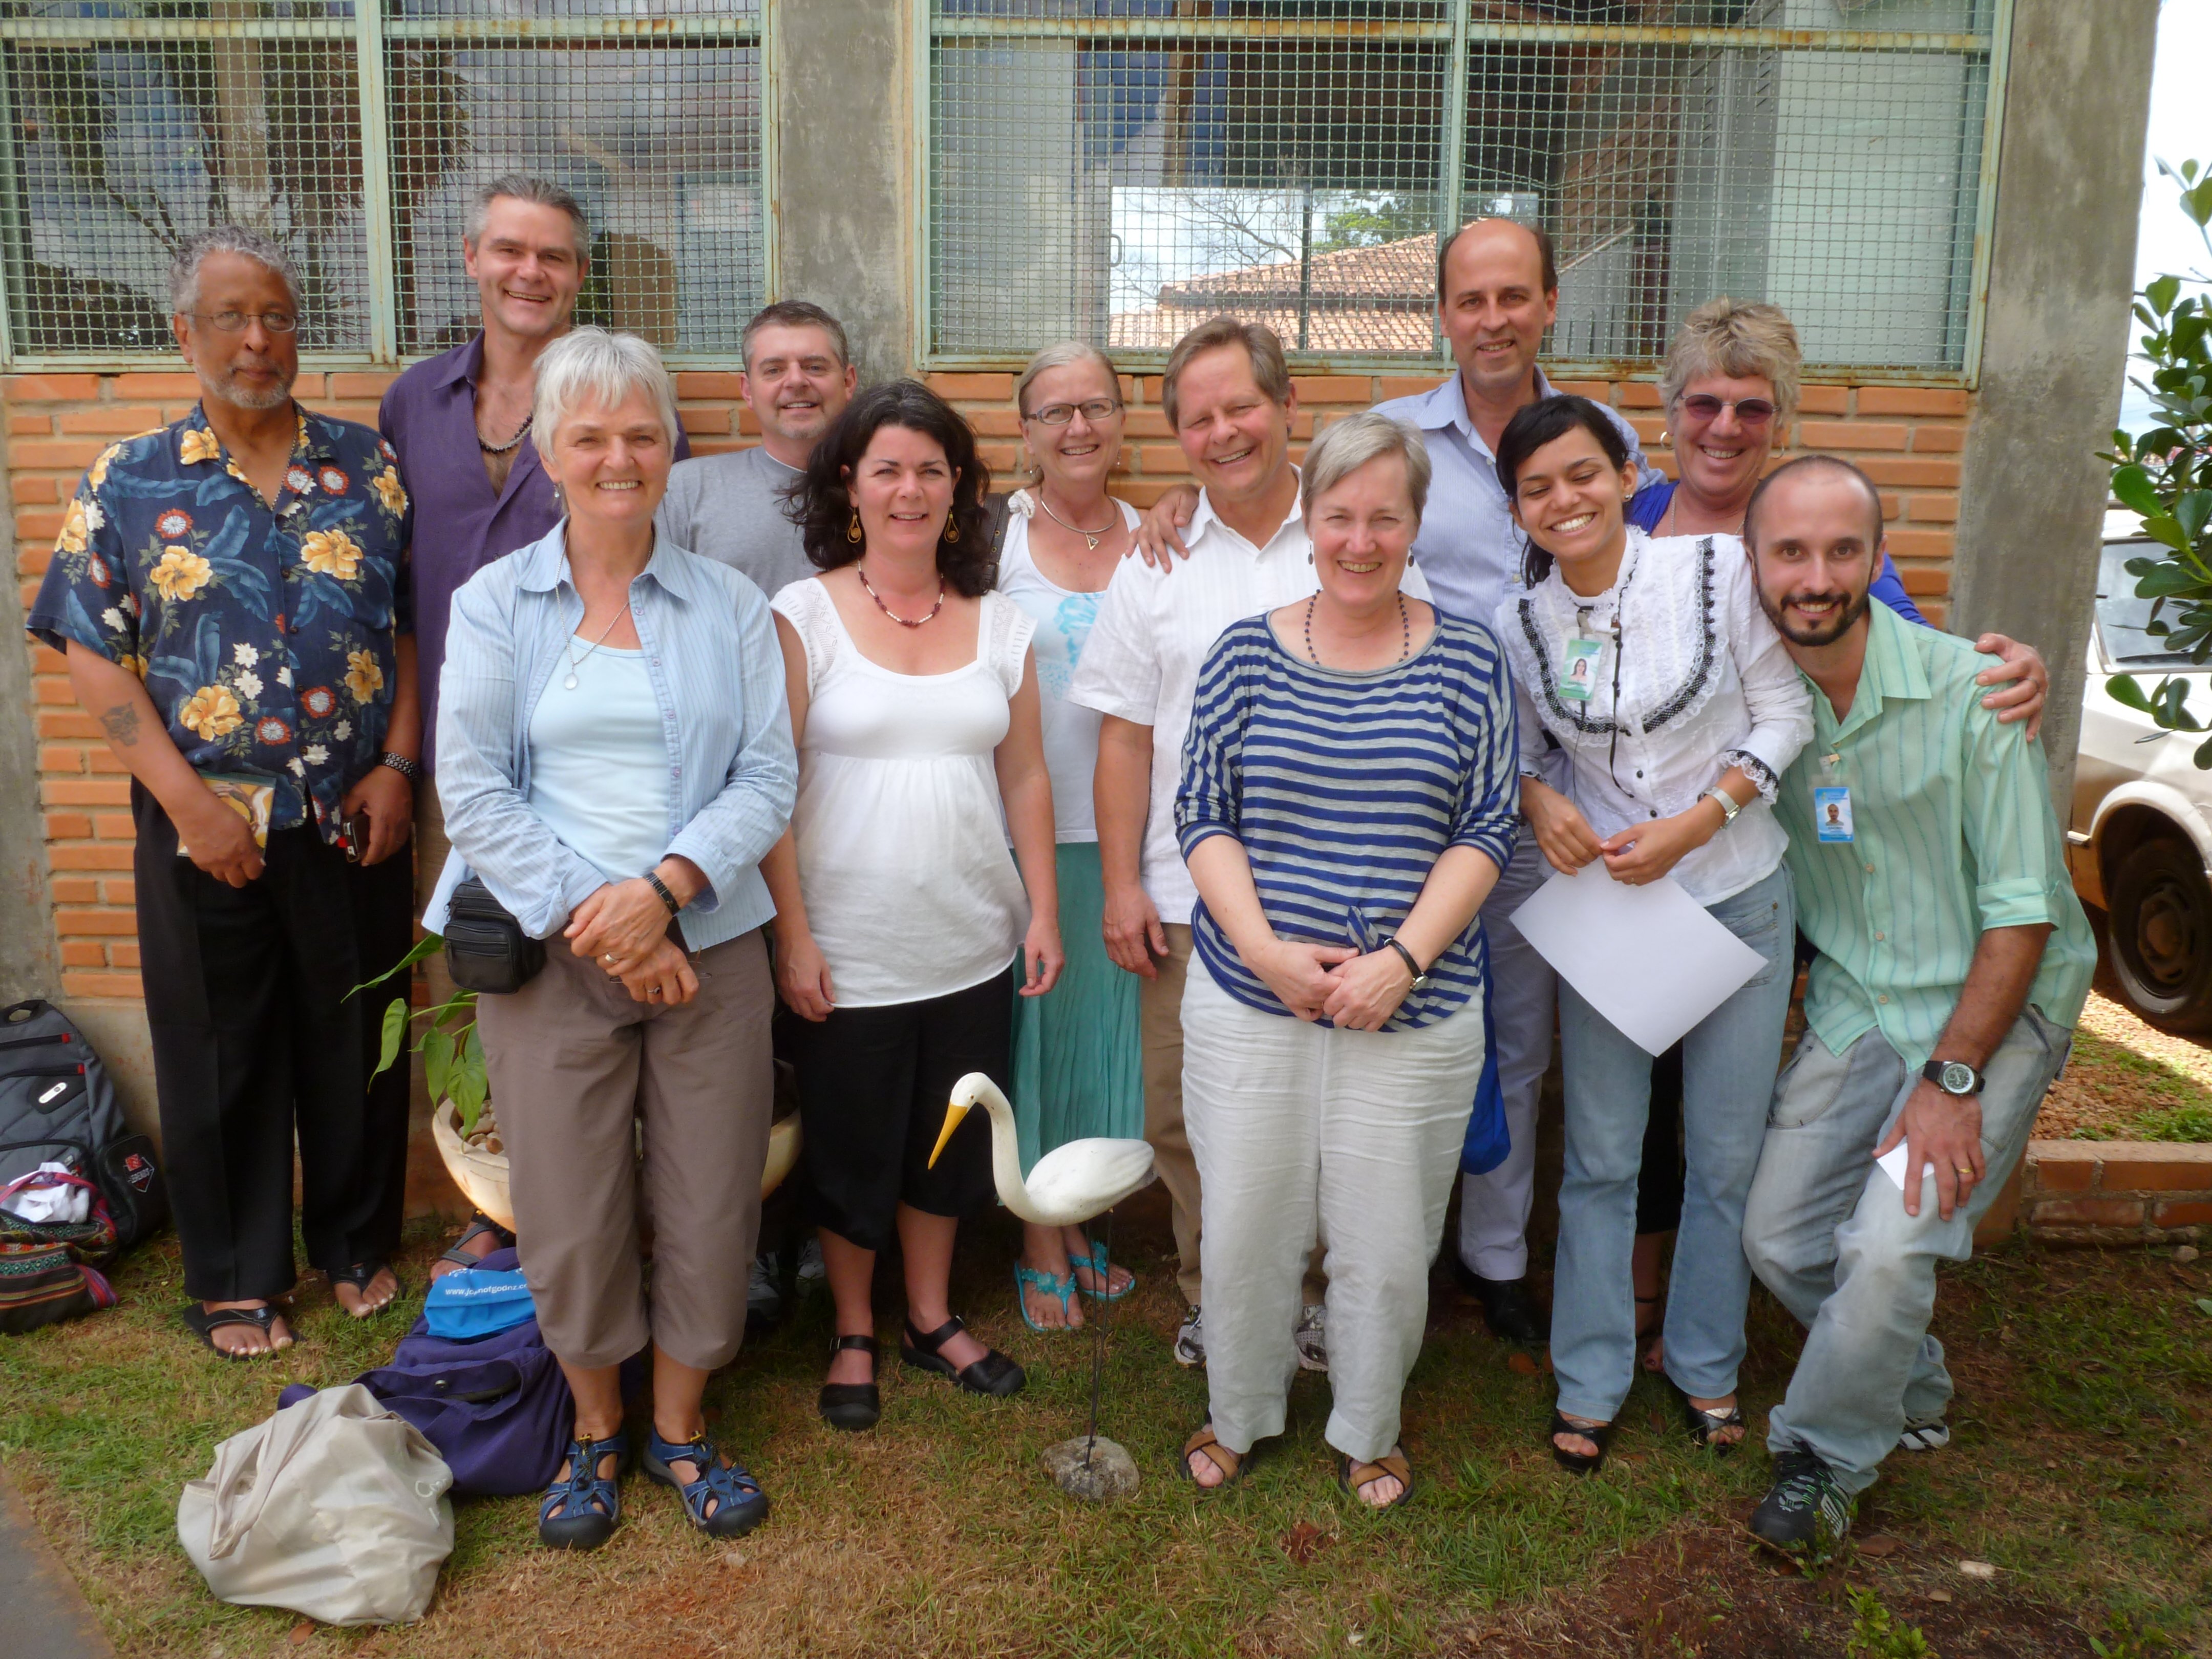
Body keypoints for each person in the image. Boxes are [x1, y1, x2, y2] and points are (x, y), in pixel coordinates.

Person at [1132, 231, 2048, 1350]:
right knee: (1528, 1062)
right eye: (1470, 298)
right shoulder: (1448, 489)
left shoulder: (1720, 530)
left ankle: (1666, 1323)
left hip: (1722, 862)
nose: (1493, 316)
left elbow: (1871, 641)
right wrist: (1174, 502)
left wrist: (1995, 672)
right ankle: (1503, 1273)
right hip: (1536, 832)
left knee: (1684, 1119)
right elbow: (1303, 505)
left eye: (1515, 294)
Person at [1622, 297, 2049, 1373]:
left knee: (1730, 1090)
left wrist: (2013, 673)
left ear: (1783, 420)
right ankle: (1645, 1293)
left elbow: (1913, 670)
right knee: (1647, 1083)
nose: (1725, 427)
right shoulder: (1627, 531)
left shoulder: (1819, 546)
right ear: (1669, 414)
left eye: (1751, 409)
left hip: (1787, 869)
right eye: (1704, 403)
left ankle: (1741, 1303)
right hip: (1647, 861)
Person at [27, 226, 418, 1355]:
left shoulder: (367, 466)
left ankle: (353, 1244)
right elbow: (92, 645)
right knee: (218, 1044)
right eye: (234, 317)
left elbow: (407, 631)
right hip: (204, 829)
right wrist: (190, 808)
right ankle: (238, 1275)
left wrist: (398, 765)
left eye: (280, 316)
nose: (260, 340)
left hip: (353, 815)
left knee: (354, 1039)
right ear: (183, 332)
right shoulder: (132, 479)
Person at [436, 328, 797, 1548]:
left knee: (709, 1196)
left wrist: (667, 889)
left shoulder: (729, 603)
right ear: (549, 453)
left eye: (641, 432)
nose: (617, 456)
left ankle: (681, 1425)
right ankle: (594, 1428)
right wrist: (608, 920)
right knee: (570, 1199)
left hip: (710, 939)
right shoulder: (495, 602)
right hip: (551, 957)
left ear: (669, 446)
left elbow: (766, 773)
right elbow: (474, 786)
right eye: (588, 434)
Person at [1736, 455, 2095, 1552]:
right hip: (1860, 999)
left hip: (1996, 1004)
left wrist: (1952, 1082)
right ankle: (1909, 1380)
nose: (1815, 575)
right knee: (1780, 1239)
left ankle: (1827, 1458)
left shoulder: (1971, 692)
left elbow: (2024, 913)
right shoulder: (1761, 710)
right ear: (1754, 567)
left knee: (1888, 1248)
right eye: (1790, 551)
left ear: (1878, 561)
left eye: (1843, 549)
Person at [1069, 314, 1430, 1371]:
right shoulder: (1158, 560)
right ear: (1177, 437)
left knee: (1324, 1123)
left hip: (1341, 900)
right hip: (1190, 901)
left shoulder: (1353, 538)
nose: (1224, 432)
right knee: (1187, 1122)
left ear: (1286, 412)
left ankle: (1314, 1306)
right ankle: (1214, 1298)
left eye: (1242, 407)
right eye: (1199, 418)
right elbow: (1126, 737)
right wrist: (1125, 882)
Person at [1175, 412, 1518, 1508]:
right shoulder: (1243, 651)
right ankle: (1239, 1413)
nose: (1360, 540)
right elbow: (1201, 815)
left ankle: (1369, 1428)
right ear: (1307, 522)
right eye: (1338, 517)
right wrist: (1267, 952)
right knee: (1245, 1224)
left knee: (1384, 1239)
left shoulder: (1469, 658)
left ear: (1415, 526)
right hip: (1253, 1000)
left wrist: (1403, 962)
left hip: (1410, 1011)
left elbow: (1488, 826)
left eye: (1385, 517)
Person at [1494, 395, 1812, 1474]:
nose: (1563, 500)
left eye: (1582, 474)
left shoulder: (1717, 575)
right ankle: (1590, 1379)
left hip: (1736, 891)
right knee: (1598, 1157)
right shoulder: (1520, 622)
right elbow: (1525, 753)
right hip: (1617, 916)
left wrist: (1697, 822)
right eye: (1537, 488)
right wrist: (1540, 801)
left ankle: (1706, 1364)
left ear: (1628, 474)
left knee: (1725, 1157)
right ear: (1519, 511)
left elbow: (1786, 715)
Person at [379, 174, 688, 1280]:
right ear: (473, 259)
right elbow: (390, 584)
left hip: (597, 745)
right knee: (491, 970)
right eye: (511, 251)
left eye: (553, 256)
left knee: (614, 992)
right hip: (473, 753)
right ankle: (509, 1202)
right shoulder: (415, 404)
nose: (530, 273)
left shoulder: (626, 402)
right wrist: (407, 752)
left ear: (579, 275)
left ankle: (624, 1205)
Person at [763, 380, 1064, 1430]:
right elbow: (772, 788)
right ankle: (853, 1326)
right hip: (848, 948)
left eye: (931, 470)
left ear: (959, 489)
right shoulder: (803, 616)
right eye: (887, 467)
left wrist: (1041, 912)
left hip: (973, 939)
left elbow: (1026, 778)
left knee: (947, 1142)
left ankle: (930, 1318)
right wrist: (791, 935)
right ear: (849, 483)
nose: (909, 489)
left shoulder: (1002, 624)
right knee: (852, 1144)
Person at [994, 343, 1144, 1331]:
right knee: (1033, 1039)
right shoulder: (990, 543)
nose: (1078, 427)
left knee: (1104, 1040)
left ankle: (1078, 1214)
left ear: (1124, 419)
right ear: (1027, 432)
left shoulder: (1162, 533)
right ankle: (1033, 1235)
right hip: (1026, 836)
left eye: (1095, 406)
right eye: (1055, 412)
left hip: (1130, 839)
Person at [658, 300, 859, 598]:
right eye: (774, 370)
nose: (795, 381)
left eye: (814, 366)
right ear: (748, 391)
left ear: (848, 382)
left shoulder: (891, 488)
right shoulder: (686, 490)